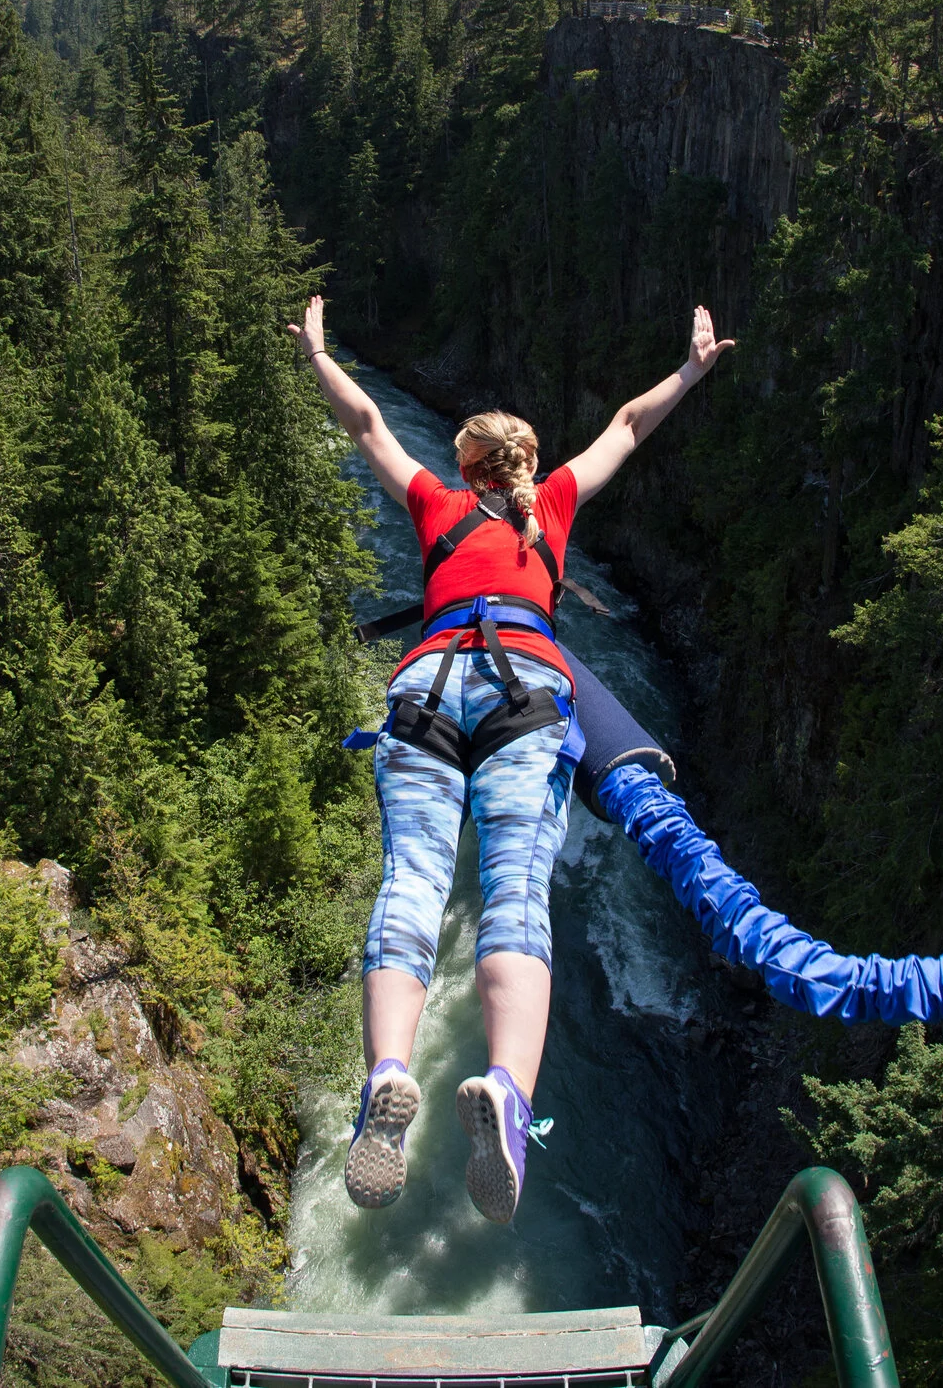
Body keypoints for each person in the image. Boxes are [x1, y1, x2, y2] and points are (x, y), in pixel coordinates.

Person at [290, 294, 735, 1224]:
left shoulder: (434, 502)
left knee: (410, 883)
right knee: (515, 896)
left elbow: (368, 420)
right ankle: (503, 1090)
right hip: (528, 691)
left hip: (427, 685)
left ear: (466, 466)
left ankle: (388, 1072)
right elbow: (625, 425)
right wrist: (692, 369)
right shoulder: (558, 505)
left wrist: (321, 353)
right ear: (526, 467)